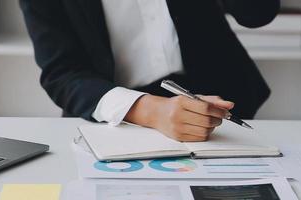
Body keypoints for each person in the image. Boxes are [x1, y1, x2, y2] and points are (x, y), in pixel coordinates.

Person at [20, 0, 280, 142]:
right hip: (111, 116)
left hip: (219, 108)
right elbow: (61, 73)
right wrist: (151, 111)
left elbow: (258, 13)